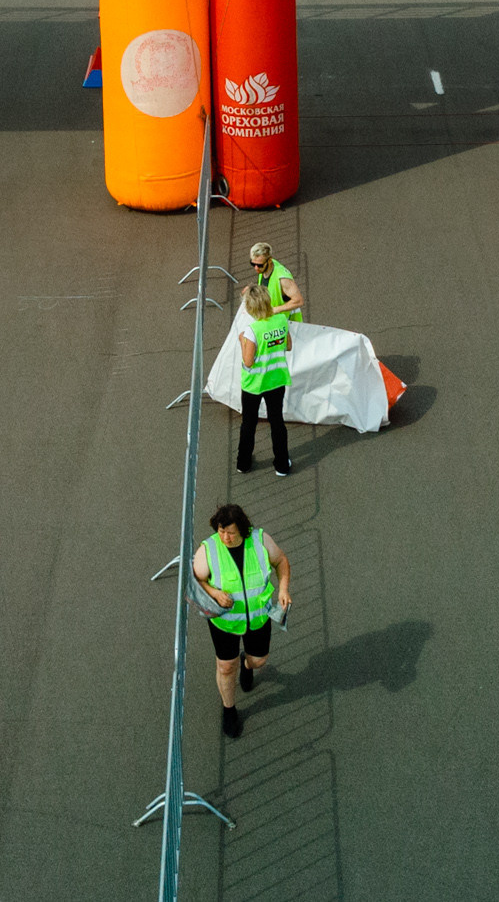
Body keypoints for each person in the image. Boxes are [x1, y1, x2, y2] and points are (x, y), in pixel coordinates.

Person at [194, 502, 292, 738]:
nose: (225, 537)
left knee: (259, 661)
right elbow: (197, 579)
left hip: (257, 618)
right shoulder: (208, 550)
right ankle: (229, 710)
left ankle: (247, 664)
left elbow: (281, 562)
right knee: (226, 667)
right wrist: (215, 593)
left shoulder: (260, 540)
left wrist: (283, 589)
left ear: (243, 530)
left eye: (230, 532)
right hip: (225, 622)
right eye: (221, 530)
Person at [236, 283, 294, 476]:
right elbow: (288, 346)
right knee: (277, 422)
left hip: (254, 384)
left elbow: (248, 361)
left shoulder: (252, 330)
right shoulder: (281, 320)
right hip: (276, 380)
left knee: (249, 424)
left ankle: (243, 463)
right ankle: (282, 465)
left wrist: (243, 341)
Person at [250, 241, 305, 321]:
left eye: (260, 265)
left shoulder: (282, 278)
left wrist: (275, 310)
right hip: (276, 323)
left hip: (288, 324)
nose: (256, 268)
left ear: (269, 260)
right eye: (253, 264)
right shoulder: (264, 269)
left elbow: (299, 300)